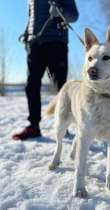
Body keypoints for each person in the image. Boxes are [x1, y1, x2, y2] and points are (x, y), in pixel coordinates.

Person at [12, 0, 79, 140]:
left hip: (56, 42)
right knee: (31, 85)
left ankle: (64, 124)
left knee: (61, 87)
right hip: (35, 44)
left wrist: (60, 10)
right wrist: (27, 34)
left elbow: (73, 15)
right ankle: (33, 126)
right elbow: (31, 18)